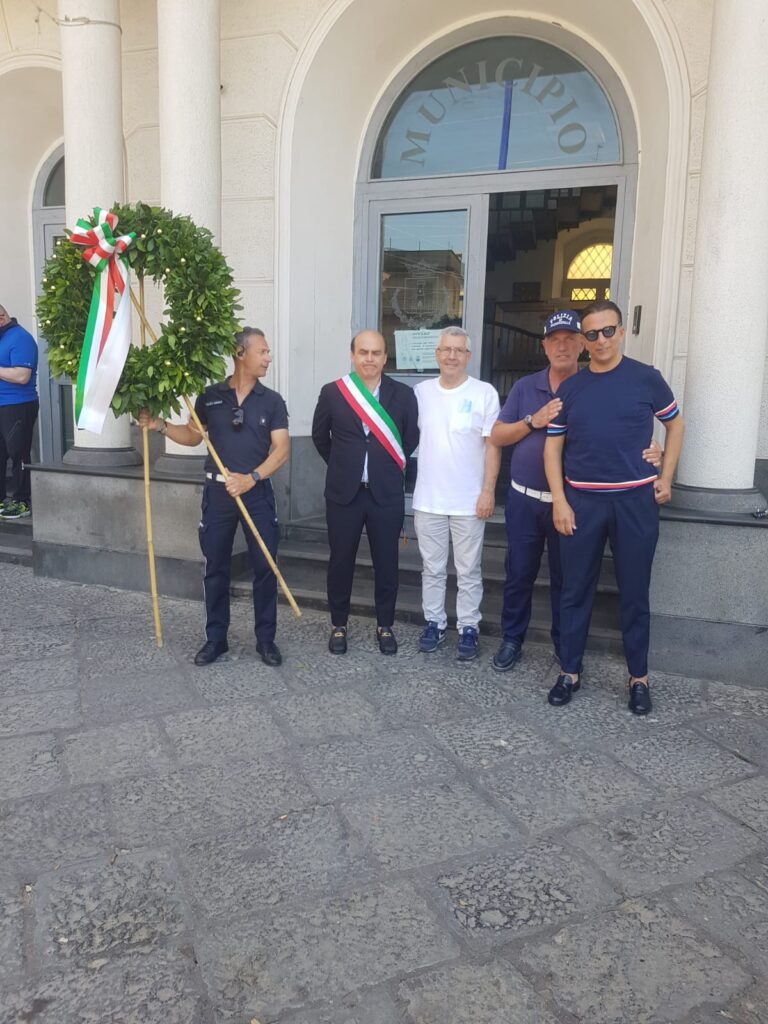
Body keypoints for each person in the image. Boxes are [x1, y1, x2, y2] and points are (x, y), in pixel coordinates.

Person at [490, 309, 662, 673]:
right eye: (555, 340)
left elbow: (621, 431)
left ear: (581, 344)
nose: (563, 346)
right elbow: (497, 436)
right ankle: (512, 639)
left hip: (574, 503)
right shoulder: (525, 387)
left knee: (567, 581)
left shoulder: (592, 385)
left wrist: (654, 451)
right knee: (519, 573)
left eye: (570, 338)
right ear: (545, 346)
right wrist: (531, 421)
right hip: (526, 499)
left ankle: (563, 647)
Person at [544, 300, 684, 715]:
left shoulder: (647, 379)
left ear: (622, 332)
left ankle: (638, 678)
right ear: (584, 341)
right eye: (592, 334)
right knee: (574, 590)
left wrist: (667, 476)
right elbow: (553, 448)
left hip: (635, 501)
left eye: (608, 331)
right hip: (582, 502)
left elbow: (674, 423)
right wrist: (560, 502)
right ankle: (570, 671)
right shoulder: (571, 388)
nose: (601, 340)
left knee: (635, 592)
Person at [140, 327, 289, 667]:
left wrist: (252, 478)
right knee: (216, 567)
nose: (268, 357)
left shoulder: (272, 401)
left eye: (268, 352)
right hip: (218, 493)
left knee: (265, 567)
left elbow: (282, 450)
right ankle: (216, 638)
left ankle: (266, 640)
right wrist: (160, 426)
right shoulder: (210, 397)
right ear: (240, 354)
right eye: (262, 351)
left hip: (256, 492)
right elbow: (192, 437)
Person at [312, 329, 419, 655]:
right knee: (340, 561)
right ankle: (338, 624)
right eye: (363, 352)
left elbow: (409, 438)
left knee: (387, 563)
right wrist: (345, 465)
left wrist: (383, 468)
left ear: (385, 357)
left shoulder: (403, 395)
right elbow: (320, 438)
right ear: (353, 355)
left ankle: (385, 625)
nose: (369, 359)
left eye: (376, 353)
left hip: (385, 495)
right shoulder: (333, 392)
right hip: (345, 494)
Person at [412, 326, 500, 661]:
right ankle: (433, 622)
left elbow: (492, 447)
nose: (452, 356)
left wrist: (488, 491)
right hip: (428, 499)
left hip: (468, 501)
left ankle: (468, 628)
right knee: (431, 568)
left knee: (468, 571)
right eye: (446, 349)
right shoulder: (420, 393)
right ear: (437, 354)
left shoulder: (484, 393)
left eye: (459, 350)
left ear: (468, 356)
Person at [0, 305, 39, 520]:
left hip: (17, 405)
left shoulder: (20, 338)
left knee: (18, 453)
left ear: (2, 317)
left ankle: (23, 501)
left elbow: (22, 375)